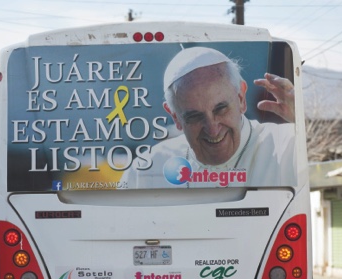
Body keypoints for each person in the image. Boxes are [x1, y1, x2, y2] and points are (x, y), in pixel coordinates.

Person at [121, 46, 297, 188]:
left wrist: (301, 121)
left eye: (220, 109)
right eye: (195, 117)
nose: (212, 130)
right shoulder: (147, 170)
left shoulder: (286, 145)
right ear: (175, 117)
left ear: (241, 98)